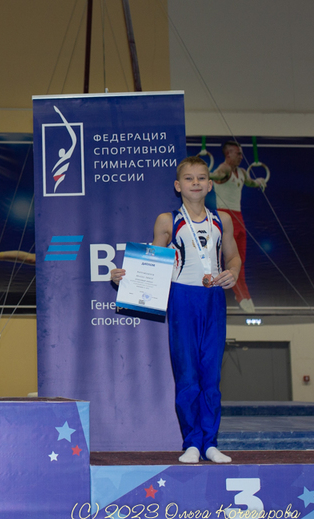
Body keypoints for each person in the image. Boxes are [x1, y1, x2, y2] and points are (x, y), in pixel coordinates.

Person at [111, 156, 240, 463]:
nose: (195, 183)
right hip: (182, 298)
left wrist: (233, 271)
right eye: (189, 178)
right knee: (188, 375)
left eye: (201, 178)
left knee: (211, 376)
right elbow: (152, 261)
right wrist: (124, 277)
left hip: (213, 299)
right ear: (178, 185)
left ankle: (210, 443)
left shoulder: (223, 220)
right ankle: (192, 443)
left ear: (210, 184)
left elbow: (233, 257)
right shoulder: (167, 221)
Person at [210, 140, 265, 313]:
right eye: (238, 153)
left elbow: (250, 183)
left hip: (239, 219)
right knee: (231, 261)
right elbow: (215, 175)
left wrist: (259, 181)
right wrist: (203, 174)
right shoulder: (224, 169)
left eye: (241, 153)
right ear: (228, 154)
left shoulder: (241, 172)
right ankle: (242, 296)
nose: (241, 156)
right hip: (225, 218)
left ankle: (243, 294)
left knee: (240, 261)